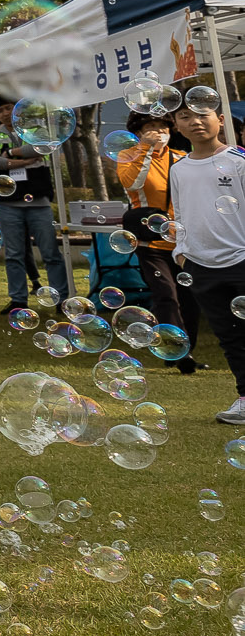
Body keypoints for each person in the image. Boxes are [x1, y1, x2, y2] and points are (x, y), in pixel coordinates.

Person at [165, 96, 245, 423]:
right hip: (199, 265)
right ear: (176, 125)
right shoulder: (179, 168)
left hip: (241, 260)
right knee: (230, 336)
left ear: (220, 120)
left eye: (203, 114)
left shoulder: (239, 160)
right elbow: (180, 213)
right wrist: (181, 252)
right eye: (185, 116)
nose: (195, 122)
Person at [116, 113, 196, 370]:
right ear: (138, 132)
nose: (158, 131)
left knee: (190, 296)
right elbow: (134, 182)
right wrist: (146, 149)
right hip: (149, 241)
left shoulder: (182, 157)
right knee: (166, 295)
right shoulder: (128, 155)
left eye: (163, 127)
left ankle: (186, 349)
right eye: (150, 127)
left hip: (182, 240)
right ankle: (177, 352)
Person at [0, 92, 69, 306]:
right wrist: (26, 161)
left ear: (17, 108)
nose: (4, 113)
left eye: (8, 107)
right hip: (8, 204)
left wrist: (10, 153)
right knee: (13, 255)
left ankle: (61, 298)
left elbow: (43, 147)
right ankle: (18, 300)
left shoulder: (35, 129)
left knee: (50, 253)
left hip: (39, 202)